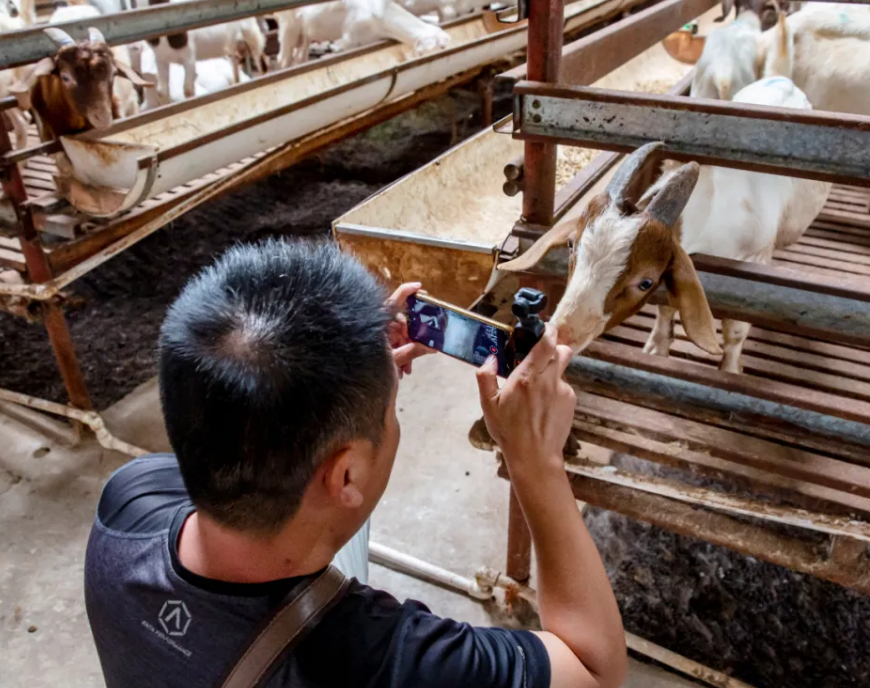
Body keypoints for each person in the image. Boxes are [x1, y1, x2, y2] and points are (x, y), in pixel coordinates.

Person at [84, 238, 627, 688]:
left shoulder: (126, 503)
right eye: (390, 414)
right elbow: (595, 669)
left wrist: (345, 383)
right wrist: (535, 461)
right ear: (345, 476)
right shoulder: (382, 660)